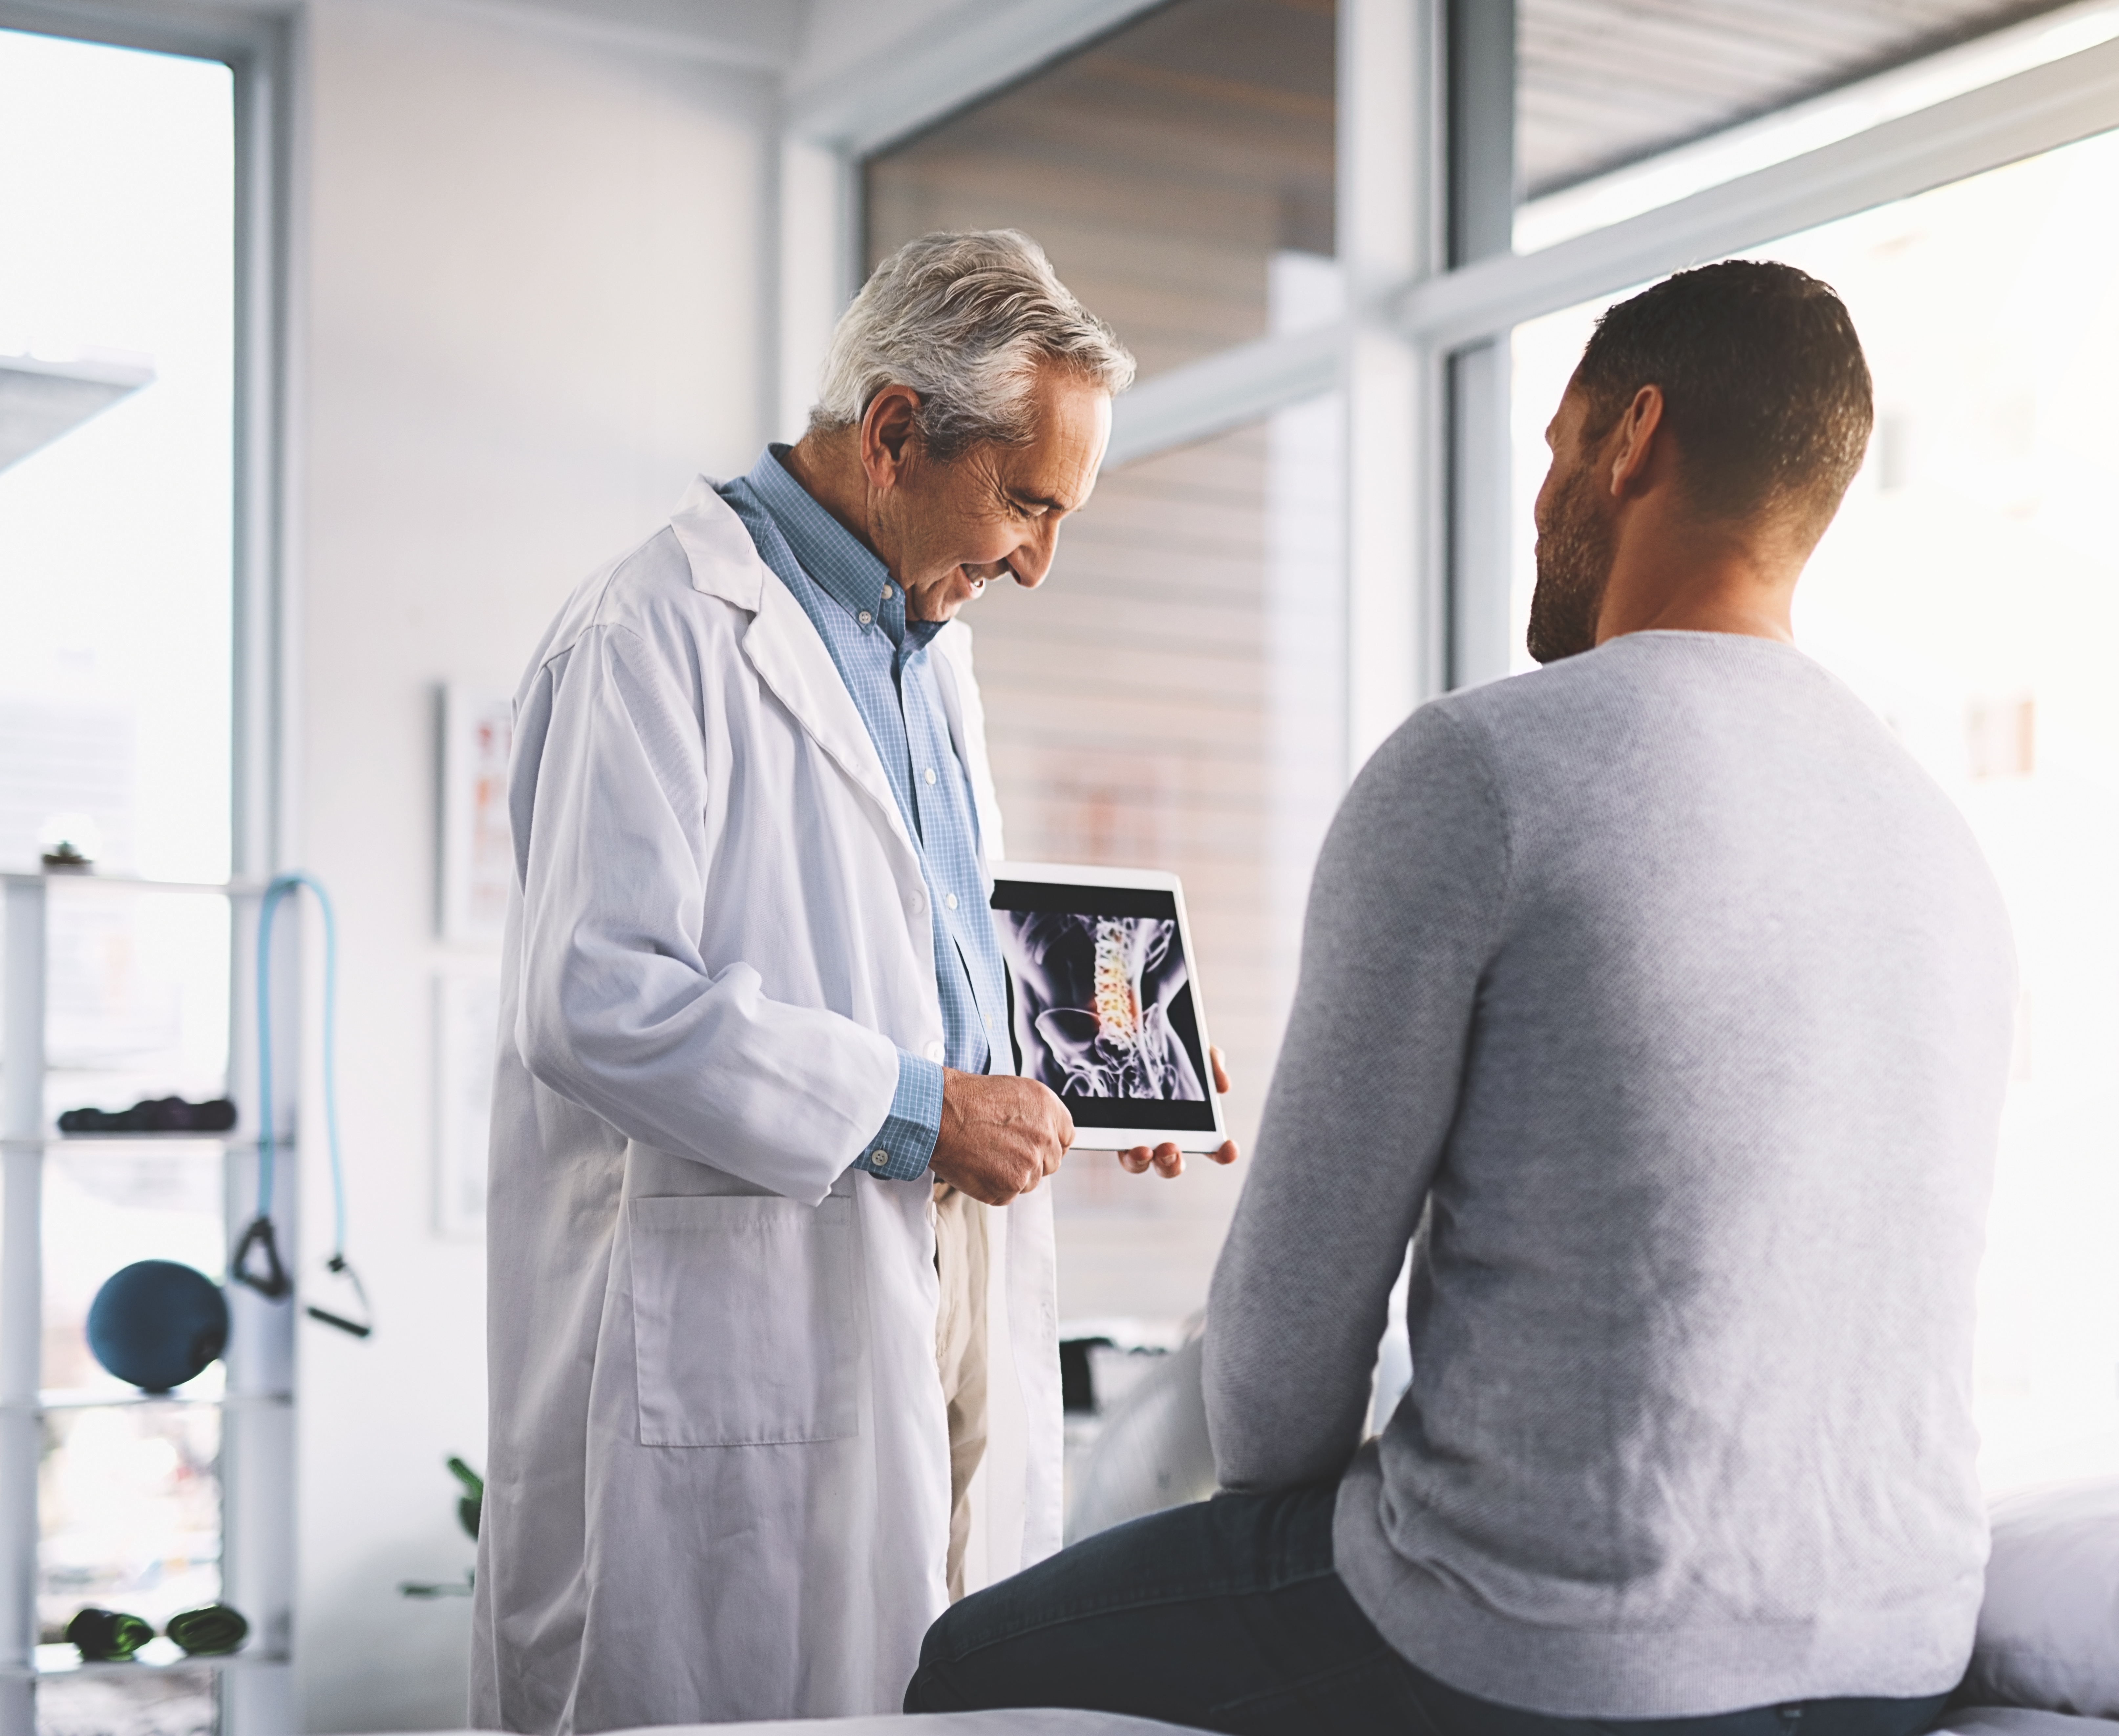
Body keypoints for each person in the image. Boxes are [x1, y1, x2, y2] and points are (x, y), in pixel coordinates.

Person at [905, 260, 2018, 1734]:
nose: (1543, 499)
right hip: (1897, 1652)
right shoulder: (1934, 831)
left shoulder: (1483, 771)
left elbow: (1281, 1382)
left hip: (1559, 1641)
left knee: (964, 1664)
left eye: (1555, 452)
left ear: (1631, 439)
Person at [470, 230, 1234, 1734]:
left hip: (930, 1271)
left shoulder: (923, 641)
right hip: (746, 1300)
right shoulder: (656, 634)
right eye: (1026, 502)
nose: (1036, 557)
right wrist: (916, 1113)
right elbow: (591, 997)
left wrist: (1098, 1069)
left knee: (942, 1675)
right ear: (894, 431)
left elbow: (927, 946)